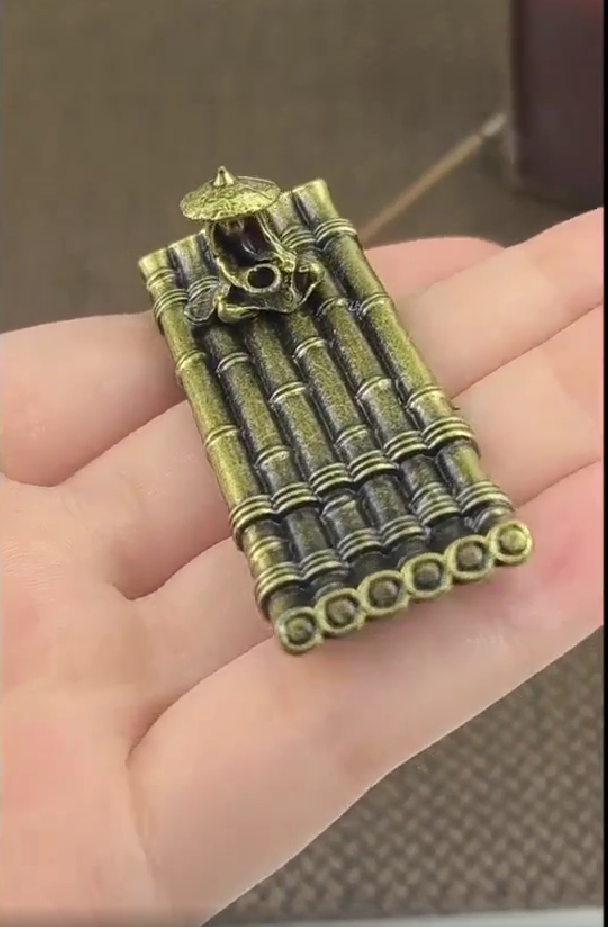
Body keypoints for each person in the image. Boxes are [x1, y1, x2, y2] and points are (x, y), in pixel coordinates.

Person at [0, 211, 603, 925]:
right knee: (286, 468)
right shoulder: (203, 287)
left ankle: (447, 528)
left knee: (391, 433)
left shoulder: (304, 261)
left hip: (404, 456)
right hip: (294, 521)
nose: (240, 237)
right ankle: (339, 573)